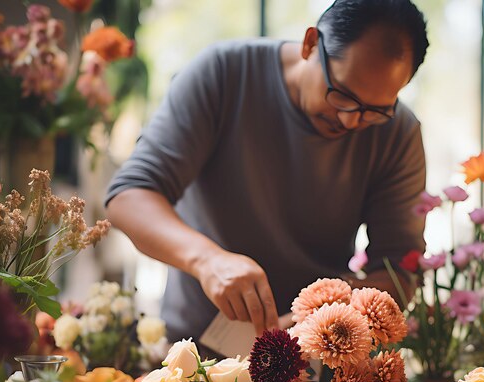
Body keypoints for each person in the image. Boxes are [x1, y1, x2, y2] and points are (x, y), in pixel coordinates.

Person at [106, 0, 429, 343]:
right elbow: (128, 197)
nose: (351, 120)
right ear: (310, 44)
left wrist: (326, 312)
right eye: (342, 95)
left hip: (317, 364)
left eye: (375, 110)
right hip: (194, 357)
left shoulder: (399, 133)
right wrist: (206, 260)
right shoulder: (225, 73)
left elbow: (398, 268)